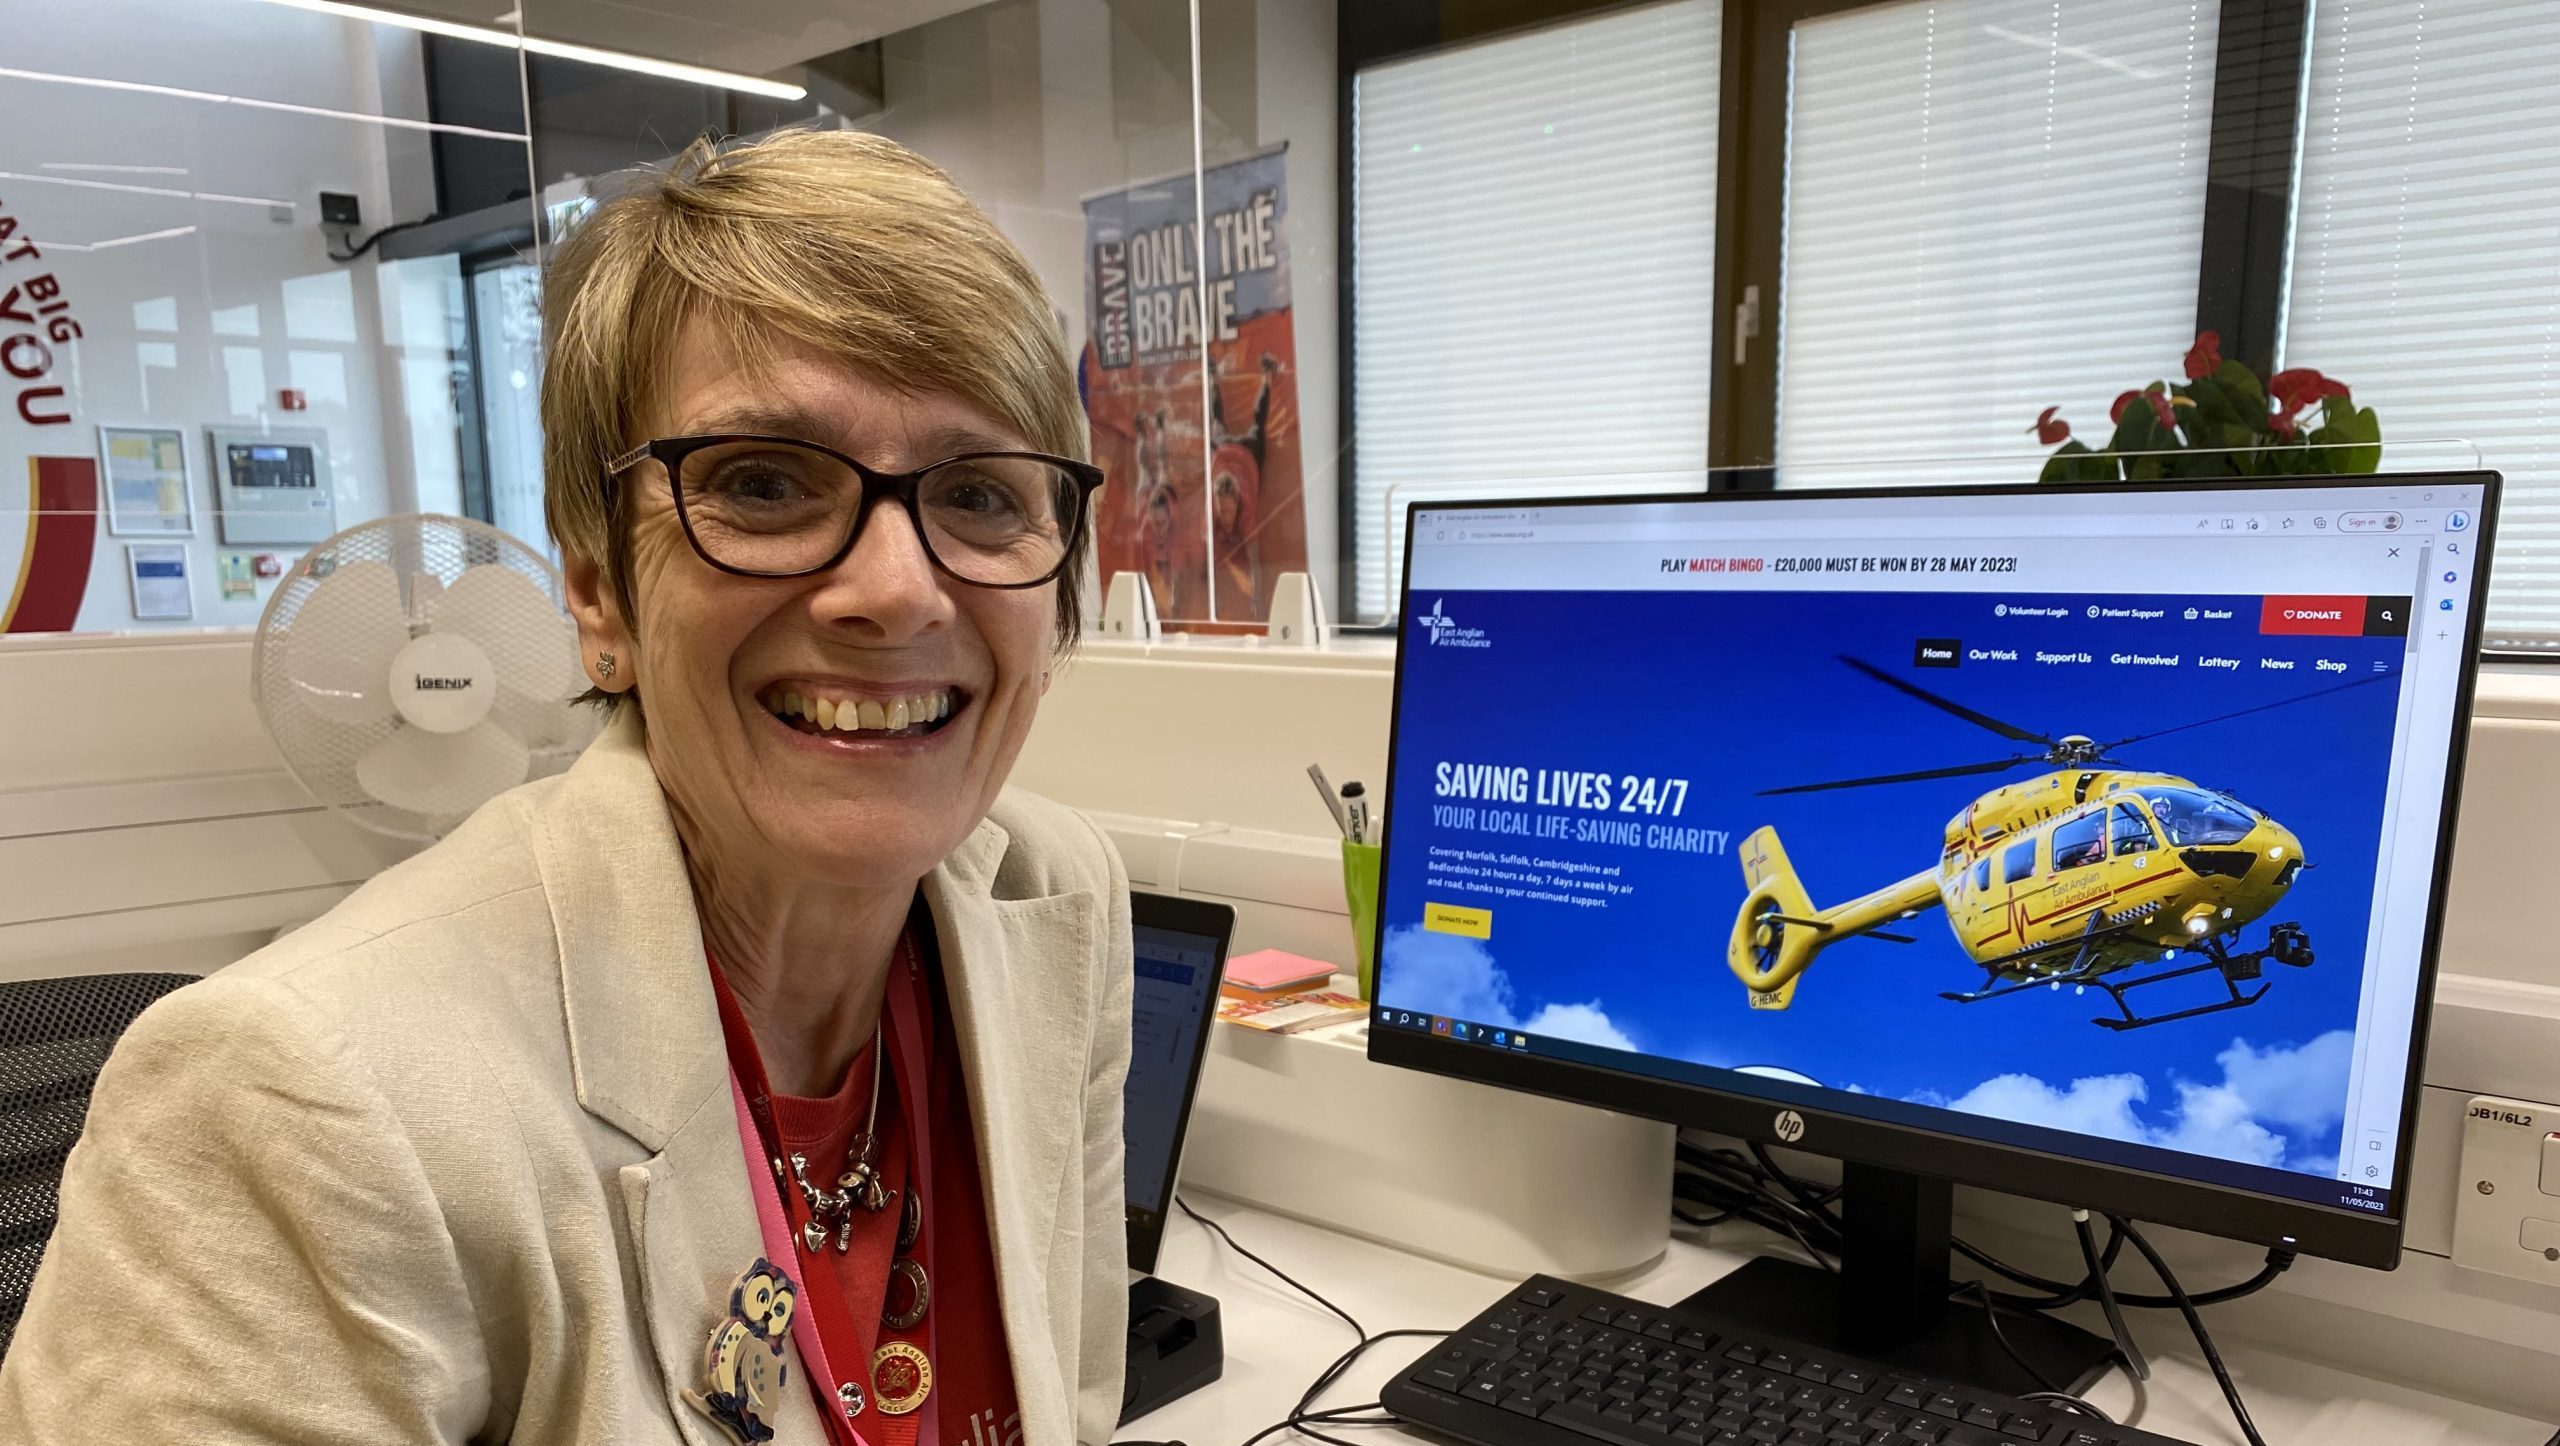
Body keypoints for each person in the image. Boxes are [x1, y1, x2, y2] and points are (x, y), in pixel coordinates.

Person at [0, 129, 1132, 1446]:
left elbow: (1075, 1398)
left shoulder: (1055, 898)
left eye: (984, 493)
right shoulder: (291, 1095)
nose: (894, 589)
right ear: (595, 589)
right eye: (762, 481)